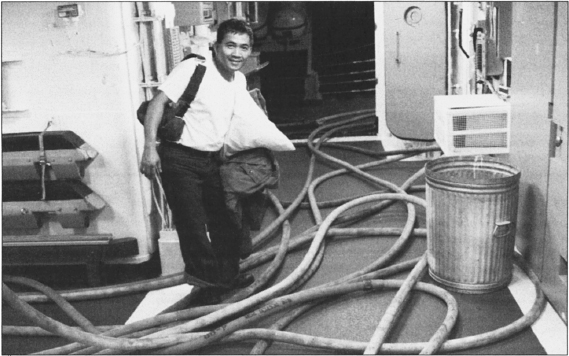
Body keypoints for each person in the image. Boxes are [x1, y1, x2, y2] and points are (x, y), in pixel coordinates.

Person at [139, 19, 257, 302]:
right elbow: (157, 103)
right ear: (217, 46)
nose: (236, 53)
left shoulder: (239, 79)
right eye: (230, 45)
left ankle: (227, 275)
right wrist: (149, 148)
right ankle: (206, 287)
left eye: (243, 47)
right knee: (192, 226)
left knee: (226, 219)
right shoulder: (195, 68)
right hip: (180, 158)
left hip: (212, 159)